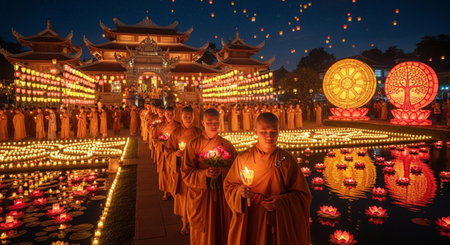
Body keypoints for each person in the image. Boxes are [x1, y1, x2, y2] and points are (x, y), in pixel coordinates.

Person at [223, 112, 312, 245]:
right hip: (252, 217)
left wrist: (280, 202)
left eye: (273, 132)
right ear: (255, 132)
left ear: (278, 132)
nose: (269, 136)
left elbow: (303, 196)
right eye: (264, 132)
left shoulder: (287, 160)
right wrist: (240, 193)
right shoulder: (243, 158)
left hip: (277, 221)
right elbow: (229, 186)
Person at [181, 108, 237, 245]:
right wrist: (205, 174)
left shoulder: (227, 145)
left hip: (221, 195)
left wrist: (222, 171)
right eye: (209, 122)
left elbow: (235, 171)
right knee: (202, 234)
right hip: (201, 196)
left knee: (222, 228)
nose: (213, 126)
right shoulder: (193, 144)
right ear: (202, 122)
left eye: (216, 122)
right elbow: (186, 173)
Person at [165, 106, 202, 235]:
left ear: (194, 117)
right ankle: (184, 222)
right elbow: (168, 150)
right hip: (181, 170)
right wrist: (176, 154)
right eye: (185, 116)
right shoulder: (176, 133)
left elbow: (203, 149)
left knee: (194, 198)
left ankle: (193, 221)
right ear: (181, 117)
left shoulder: (198, 132)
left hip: (194, 170)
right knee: (183, 197)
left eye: (190, 116)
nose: (188, 119)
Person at [154, 106, 180, 200]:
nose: (169, 115)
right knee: (164, 172)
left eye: (171, 114)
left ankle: (174, 191)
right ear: (164, 114)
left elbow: (181, 140)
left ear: (174, 114)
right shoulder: (160, 125)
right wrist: (161, 144)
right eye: (167, 114)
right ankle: (166, 191)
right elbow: (155, 138)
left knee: (174, 171)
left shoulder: (178, 126)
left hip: (174, 152)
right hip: (164, 152)